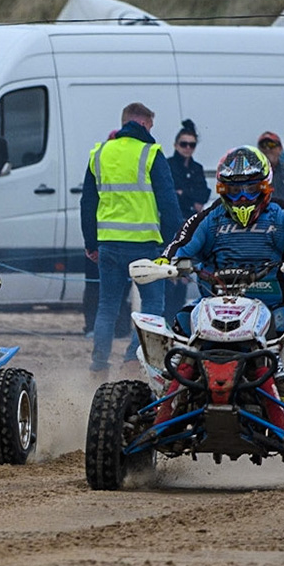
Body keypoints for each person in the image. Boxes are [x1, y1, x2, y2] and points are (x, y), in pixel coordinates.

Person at [165, 146, 284, 337]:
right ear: (223, 190)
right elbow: (182, 241)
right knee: (183, 320)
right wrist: (165, 262)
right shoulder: (211, 216)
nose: (242, 198)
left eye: (251, 190)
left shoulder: (281, 214)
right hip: (214, 305)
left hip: (271, 305)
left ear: (265, 187)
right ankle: (179, 365)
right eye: (234, 190)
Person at [81, 102, 183, 379]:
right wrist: (178, 243)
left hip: (109, 243)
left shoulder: (100, 152)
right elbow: (169, 203)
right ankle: (132, 359)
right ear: (143, 123)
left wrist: (91, 242)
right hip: (145, 244)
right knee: (152, 307)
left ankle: (99, 365)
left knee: (107, 307)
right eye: (150, 125)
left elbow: (87, 202)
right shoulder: (151, 153)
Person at [165, 120, 209, 318]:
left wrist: (185, 193)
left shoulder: (197, 168)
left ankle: (176, 316)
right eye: (184, 144)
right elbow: (171, 194)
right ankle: (168, 315)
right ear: (176, 145)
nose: (187, 148)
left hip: (189, 226)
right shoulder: (168, 165)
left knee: (184, 273)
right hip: (171, 226)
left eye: (191, 144)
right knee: (170, 274)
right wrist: (188, 196)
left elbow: (204, 194)